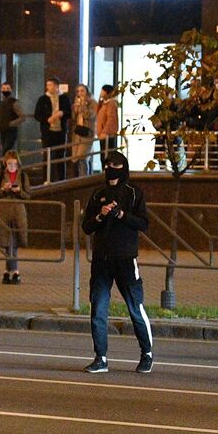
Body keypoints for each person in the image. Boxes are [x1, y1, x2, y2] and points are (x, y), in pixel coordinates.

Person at [81, 151, 153, 375]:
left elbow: (143, 223)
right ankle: (100, 357)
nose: (111, 168)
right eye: (107, 165)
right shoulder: (98, 194)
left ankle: (147, 353)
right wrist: (101, 216)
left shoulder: (133, 193)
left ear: (124, 167)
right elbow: (87, 226)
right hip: (101, 259)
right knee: (98, 308)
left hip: (125, 258)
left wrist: (121, 215)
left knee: (135, 307)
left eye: (116, 164)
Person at [0, 149, 32, 284]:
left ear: (18, 164)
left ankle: (10, 271)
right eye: (9, 164)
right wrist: (3, 189)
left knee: (13, 242)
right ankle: (13, 271)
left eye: (14, 164)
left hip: (18, 211)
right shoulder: (1, 175)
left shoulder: (23, 175)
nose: (12, 167)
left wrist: (19, 191)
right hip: (4, 211)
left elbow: (28, 195)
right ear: (5, 163)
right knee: (7, 243)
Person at [34, 78, 70, 183]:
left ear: (56, 86)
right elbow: (37, 114)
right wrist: (47, 119)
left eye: (50, 85)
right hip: (47, 132)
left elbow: (69, 113)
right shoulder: (43, 99)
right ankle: (47, 179)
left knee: (60, 156)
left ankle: (62, 179)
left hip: (60, 131)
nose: (48, 87)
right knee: (47, 156)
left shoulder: (64, 98)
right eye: (47, 85)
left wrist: (62, 113)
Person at [71, 83, 98, 177]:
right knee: (75, 157)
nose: (80, 93)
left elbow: (91, 116)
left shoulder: (92, 102)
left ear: (87, 91)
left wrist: (83, 107)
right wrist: (75, 108)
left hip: (87, 132)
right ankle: (78, 178)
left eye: (82, 91)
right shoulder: (76, 101)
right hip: (78, 131)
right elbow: (73, 118)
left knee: (82, 156)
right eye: (78, 91)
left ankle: (85, 178)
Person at [0, 82, 27, 157]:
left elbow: (23, 117)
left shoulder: (14, 102)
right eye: (3, 88)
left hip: (10, 131)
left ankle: (6, 166)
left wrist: (11, 124)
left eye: (7, 89)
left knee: (7, 151)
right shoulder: (0, 102)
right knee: (3, 150)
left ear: (11, 90)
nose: (5, 90)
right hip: (2, 129)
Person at [96, 85, 120, 159]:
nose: (100, 93)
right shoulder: (104, 103)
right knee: (103, 155)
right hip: (102, 133)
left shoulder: (111, 103)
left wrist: (105, 132)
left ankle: (107, 170)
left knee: (107, 156)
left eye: (102, 91)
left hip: (106, 134)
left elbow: (111, 119)